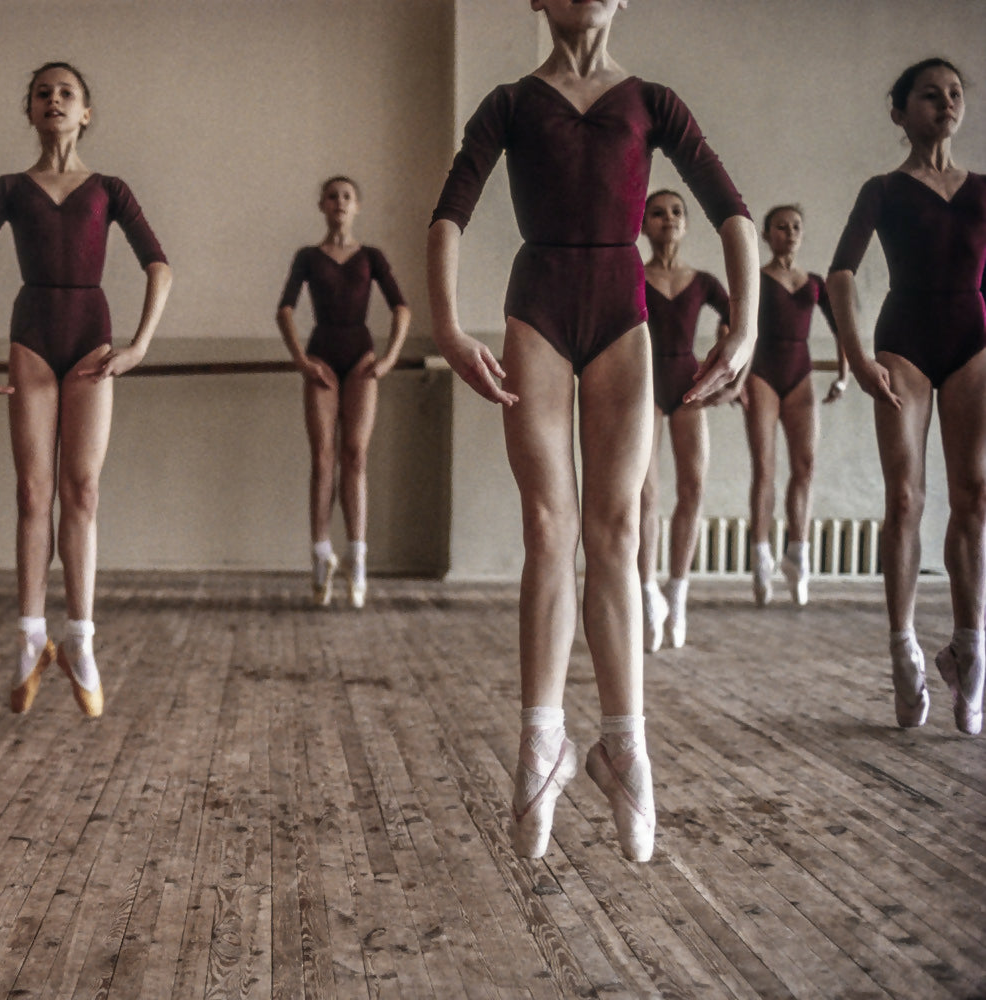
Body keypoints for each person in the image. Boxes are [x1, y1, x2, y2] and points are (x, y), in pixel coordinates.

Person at [426, 0, 758, 861]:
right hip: (535, 304)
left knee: (616, 532)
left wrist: (747, 325)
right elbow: (450, 211)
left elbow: (730, 206)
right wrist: (449, 327)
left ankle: (623, 743)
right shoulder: (509, 100)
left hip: (622, 313)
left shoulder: (652, 100)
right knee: (549, 526)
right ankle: (543, 741)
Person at [0, 62, 172, 719]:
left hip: (91, 336)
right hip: (34, 334)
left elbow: (158, 263)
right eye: (42, 93)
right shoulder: (10, 188)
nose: (54, 100)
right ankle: (28, 635)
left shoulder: (109, 189)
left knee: (82, 489)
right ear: (30, 111)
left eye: (66, 93)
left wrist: (141, 344)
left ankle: (79, 637)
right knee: (32, 489)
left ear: (86, 112)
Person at [828, 57, 985, 735]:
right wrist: (857, 356)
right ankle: (903, 649)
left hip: (974, 343)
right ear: (900, 112)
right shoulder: (884, 190)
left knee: (975, 494)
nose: (945, 104)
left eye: (954, 94)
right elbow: (839, 274)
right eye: (929, 95)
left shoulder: (983, 190)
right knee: (904, 497)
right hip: (903, 344)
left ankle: (971, 648)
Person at [276, 176, 411, 609]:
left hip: (360, 358)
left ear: (357, 206)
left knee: (355, 455)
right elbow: (285, 308)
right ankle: (320, 556)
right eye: (332, 196)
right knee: (323, 458)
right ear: (321, 204)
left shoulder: (371, 256)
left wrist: (389, 358)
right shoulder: (308, 257)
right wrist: (300, 358)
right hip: (321, 357)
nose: (339, 202)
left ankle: (356, 557)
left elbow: (401, 307)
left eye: (347, 197)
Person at [638, 189, 733, 651]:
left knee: (692, 489)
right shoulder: (633, 275)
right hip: (644, 386)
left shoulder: (704, 281)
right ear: (643, 226)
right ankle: (646, 593)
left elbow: (741, 323)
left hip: (689, 385)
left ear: (687, 223)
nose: (668, 220)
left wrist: (730, 380)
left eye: (676, 212)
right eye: (657, 213)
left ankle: (677, 593)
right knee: (646, 495)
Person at [743, 205, 848, 608]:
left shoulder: (815, 283)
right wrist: (739, 383)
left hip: (800, 375)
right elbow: (740, 329)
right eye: (781, 227)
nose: (789, 233)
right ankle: (760, 554)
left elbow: (841, 328)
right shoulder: (757, 280)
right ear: (768, 235)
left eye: (795, 227)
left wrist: (843, 375)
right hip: (763, 374)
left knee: (805, 467)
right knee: (765, 469)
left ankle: (797, 554)